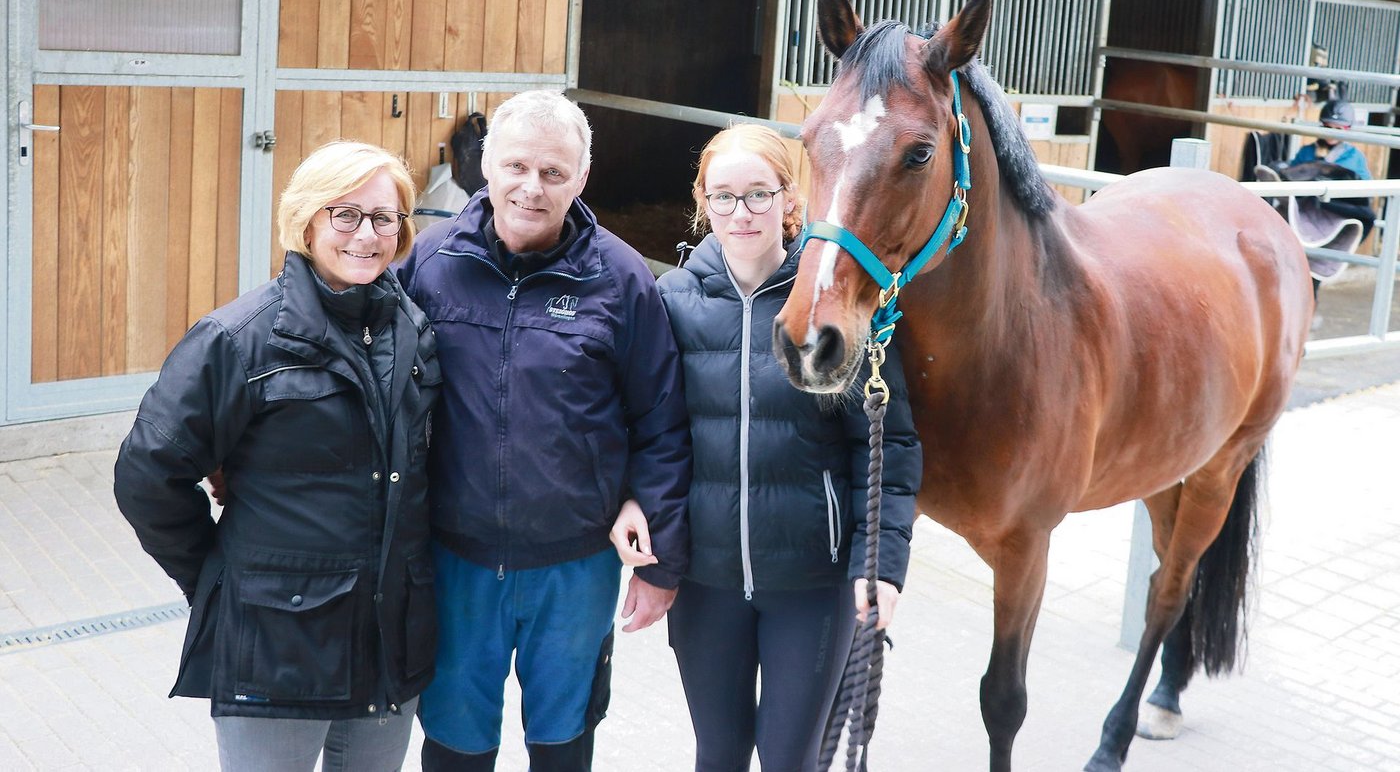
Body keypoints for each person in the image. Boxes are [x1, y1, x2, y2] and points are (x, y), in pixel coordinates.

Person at [114, 141, 441, 771]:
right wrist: (216, 577)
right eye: (345, 215)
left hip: (388, 638)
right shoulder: (238, 340)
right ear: (307, 220)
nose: (366, 235)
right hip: (277, 641)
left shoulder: (414, 330)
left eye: (384, 217)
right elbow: (148, 473)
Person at [611, 124, 922, 771]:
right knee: (718, 753)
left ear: (789, 199)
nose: (741, 212)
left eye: (758, 194)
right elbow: (642, 430)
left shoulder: (838, 306)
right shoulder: (670, 302)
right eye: (723, 197)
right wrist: (631, 507)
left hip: (812, 581)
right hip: (707, 581)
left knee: (789, 757)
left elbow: (886, 446)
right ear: (702, 201)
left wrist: (882, 562)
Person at [396, 90, 692, 771]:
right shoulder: (430, 263)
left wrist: (662, 559)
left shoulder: (621, 280)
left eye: (554, 173)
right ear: (486, 166)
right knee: (455, 745)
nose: (532, 188)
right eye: (516, 167)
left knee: (562, 746)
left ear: (582, 178)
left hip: (575, 566)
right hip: (454, 560)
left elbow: (661, 421)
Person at [1287, 97, 1376, 242]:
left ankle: (1342, 249)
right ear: (1323, 126)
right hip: (1312, 200)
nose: (1332, 133)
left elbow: (1366, 187)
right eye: (1329, 127)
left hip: (1337, 203)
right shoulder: (1307, 151)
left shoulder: (1355, 156)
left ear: (1346, 130)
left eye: (1338, 129)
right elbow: (1292, 174)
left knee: (1369, 216)